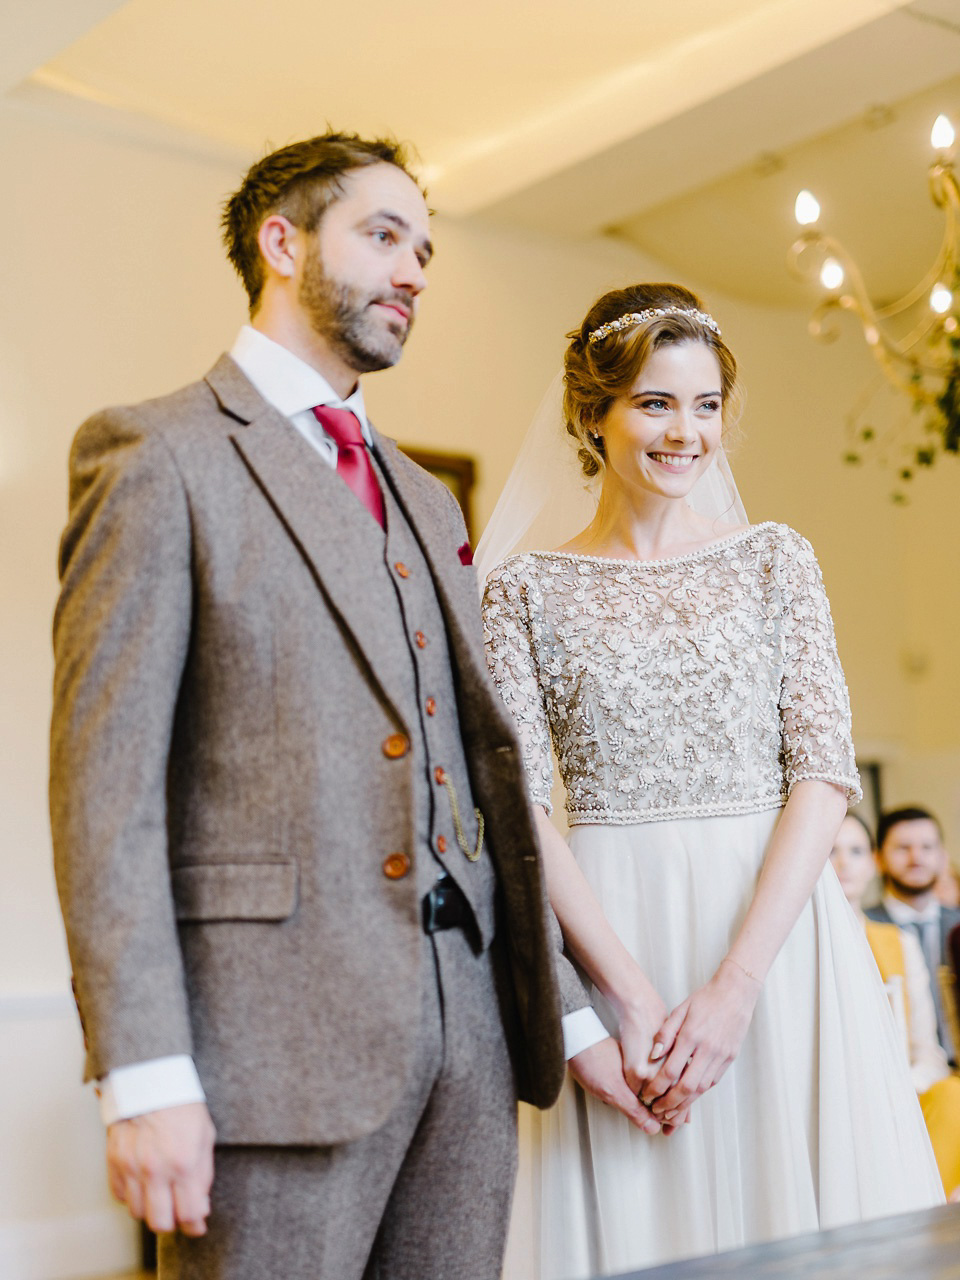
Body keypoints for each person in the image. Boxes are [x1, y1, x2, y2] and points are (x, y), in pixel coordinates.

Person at [48, 131, 602, 1280]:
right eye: (385, 236)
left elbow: (478, 771)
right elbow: (106, 792)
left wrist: (572, 1008)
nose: (416, 273)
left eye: (427, 251)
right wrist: (145, 1073)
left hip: (471, 1036)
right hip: (271, 1044)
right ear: (281, 239)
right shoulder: (158, 454)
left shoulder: (425, 493)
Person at [480, 282, 944, 1279]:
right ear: (590, 412)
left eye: (704, 404)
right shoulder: (523, 589)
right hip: (616, 927)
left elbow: (822, 771)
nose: (685, 431)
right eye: (654, 401)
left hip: (777, 938)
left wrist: (737, 985)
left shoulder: (777, 560)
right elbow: (514, 803)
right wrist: (629, 994)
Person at [831, 812, 960, 1199]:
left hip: (907, 1087)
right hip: (840, 1100)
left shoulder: (895, 941)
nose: (842, 864)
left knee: (951, 1097)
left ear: (870, 860)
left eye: (854, 851)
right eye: (828, 851)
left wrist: (897, 1090)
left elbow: (926, 1047)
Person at [867, 806, 960, 1064]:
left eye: (927, 847)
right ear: (878, 858)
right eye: (902, 848)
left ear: (942, 857)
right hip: (895, 1069)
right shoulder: (862, 928)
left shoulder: (958, 927)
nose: (916, 857)